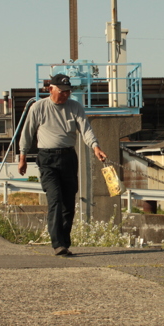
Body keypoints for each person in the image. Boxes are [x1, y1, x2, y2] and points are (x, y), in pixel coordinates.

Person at [18, 73, 106, 257]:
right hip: (47, 159)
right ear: (51, 89)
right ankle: (57, 243)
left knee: (68, 202)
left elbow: (85, 129)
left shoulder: (75, 107)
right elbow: (27, 132)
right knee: (55, 199)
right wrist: (23, 156)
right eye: (62, 91)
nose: (66, 95)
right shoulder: (38, 107)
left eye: (68, 91)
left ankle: (64, 243)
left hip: (68, 157)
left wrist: (95, 147)